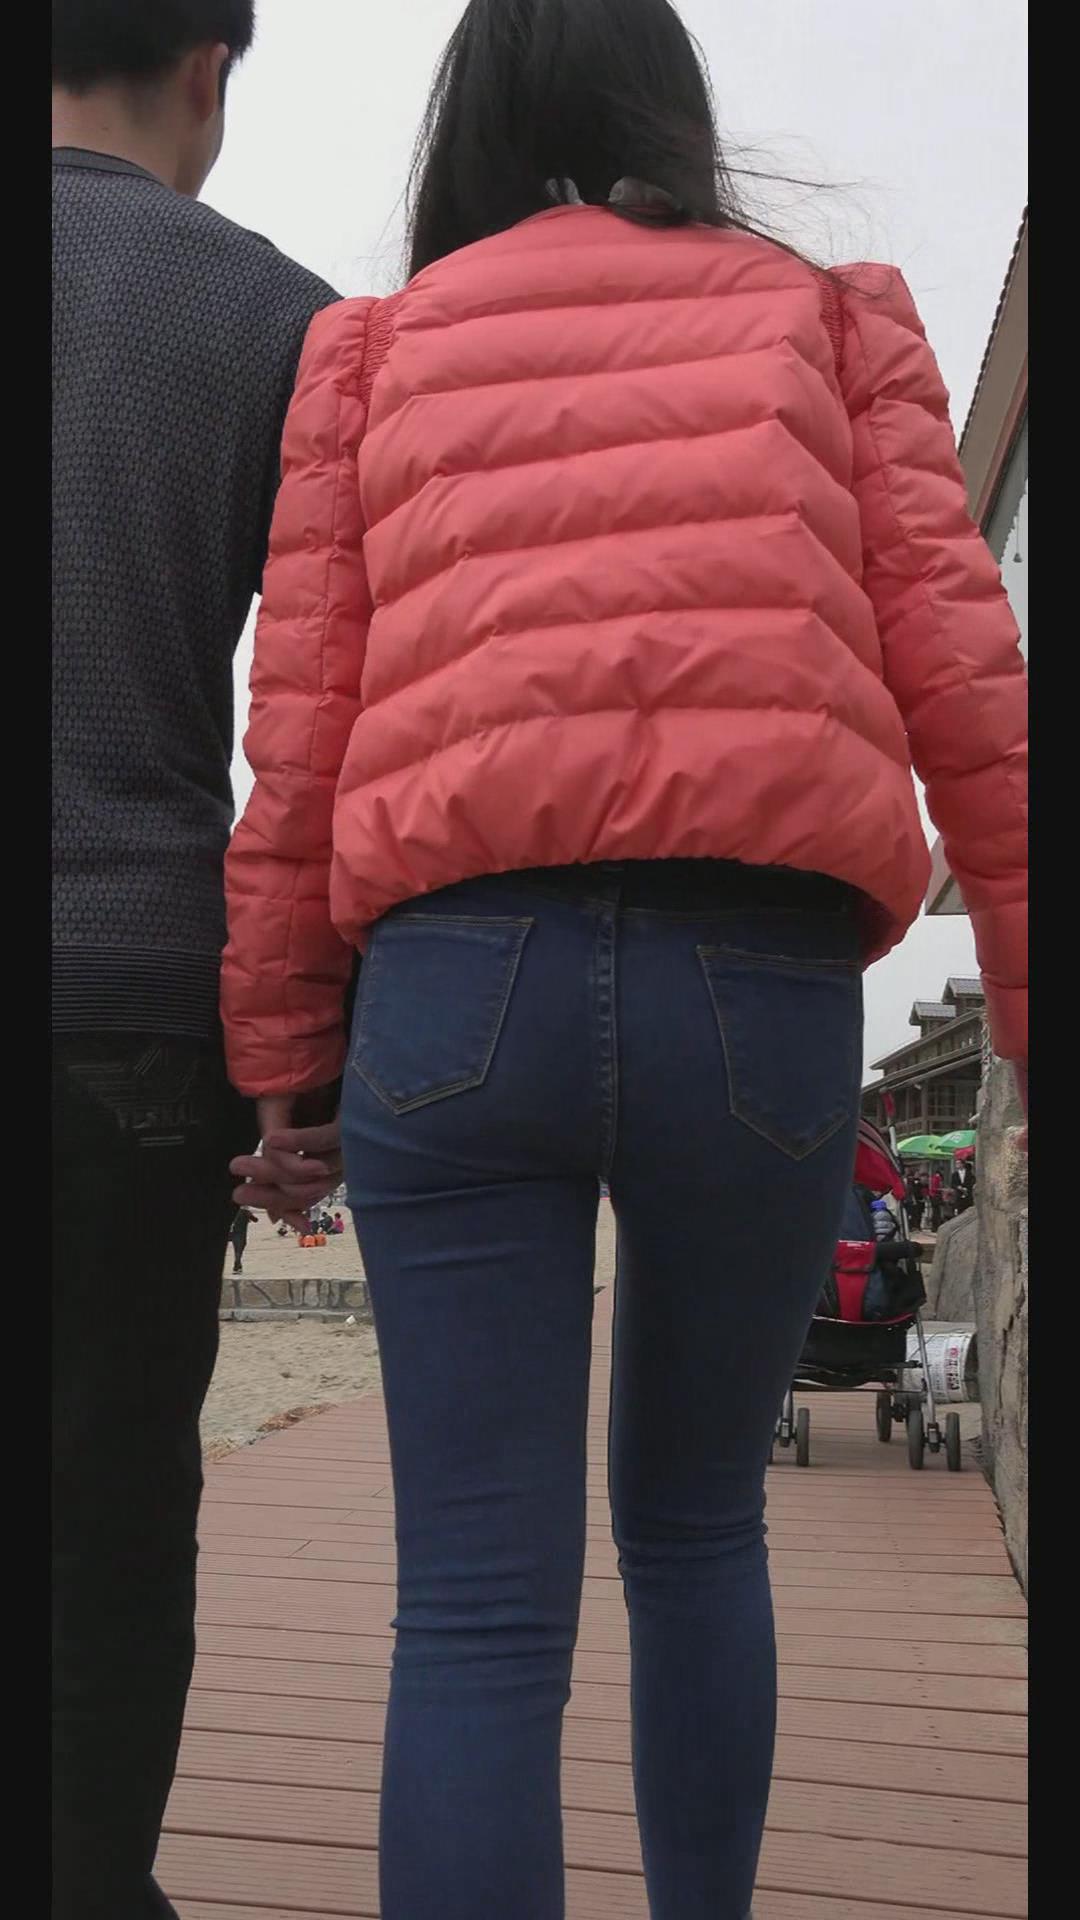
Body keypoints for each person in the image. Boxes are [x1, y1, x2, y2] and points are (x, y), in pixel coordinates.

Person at [223, 4, 1028, 1915]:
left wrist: (282, 1054)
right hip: (757, 984)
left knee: (474, 1603)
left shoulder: (373, 354)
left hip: (456, 982)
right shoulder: (834, 320)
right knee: (696, 1535)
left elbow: (303, 735)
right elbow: (972, 692)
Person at [51, 5, 341, 1915]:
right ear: (210, 69)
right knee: (109, 1518)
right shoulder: (282, 322)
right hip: (132, 1009)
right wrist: (304, 1059)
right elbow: (317, 734)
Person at [229, 1204, 257, 1274]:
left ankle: (239, 1266)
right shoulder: (246, 1212)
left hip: (234, 1234)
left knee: (237, 1250)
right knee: (239, 1251)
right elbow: (256, 1220)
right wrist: (248, 1217)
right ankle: (236, 1267)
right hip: (242, 1235)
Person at [928, 1168, 945, 1233]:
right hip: (935, 1196)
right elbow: (935, 1188)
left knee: (935, 1212)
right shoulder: (937, 1178)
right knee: (937, 1212)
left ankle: (934, 1227)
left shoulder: (933, 1178)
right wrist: (941, 1190)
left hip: (933, 1196)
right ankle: (936, 1226)